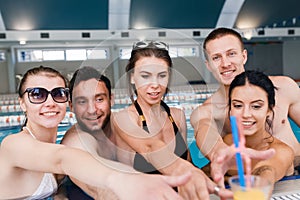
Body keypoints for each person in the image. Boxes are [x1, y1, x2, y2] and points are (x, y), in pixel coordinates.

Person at [0, 65, 193, 200]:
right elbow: (64, 158)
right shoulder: (13, 144)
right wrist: (121, 180)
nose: (50, 102)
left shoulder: (51, 146)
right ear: (21, 103)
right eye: (37, 94)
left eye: (58, 93)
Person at [112, 41, 232, 200]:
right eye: (145, 76)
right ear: (132, 77)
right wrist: (191, 173)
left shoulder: (177, 116)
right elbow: (150, 147)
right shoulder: (123, 119)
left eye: (162, 75)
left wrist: (218, 172)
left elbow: (188, 164)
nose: (155, 84)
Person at [190, 27, 300, 186]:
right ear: (208, 65)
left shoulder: (284, 87)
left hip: (294, 174)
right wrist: (219, 153)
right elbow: (206, 133)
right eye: (216, 57)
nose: (225, 63)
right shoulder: (207, 111)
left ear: (244, 56)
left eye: (231, 54)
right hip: (252, 178)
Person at [224, 70, 294, 192]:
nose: (245, 114)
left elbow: (266, 172)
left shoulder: (281, 151)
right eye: (238, 106)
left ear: (269, 110)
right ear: (230, 110)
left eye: (256, 106)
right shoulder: (228, 142)